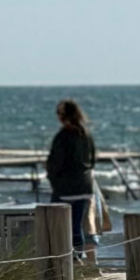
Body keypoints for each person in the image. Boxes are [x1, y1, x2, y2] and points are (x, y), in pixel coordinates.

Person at [46, 98, 98, 264]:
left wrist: (53, 179)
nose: (57, 116)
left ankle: (69, 261)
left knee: (55, 226)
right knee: (76, 227)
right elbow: (93, 159)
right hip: (84, 185)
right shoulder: (86, 134)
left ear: (63, 115)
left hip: (66, 188)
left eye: (58, 113)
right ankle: (76, 259)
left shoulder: (63, 136)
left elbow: (55, 163)